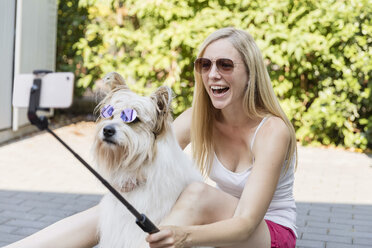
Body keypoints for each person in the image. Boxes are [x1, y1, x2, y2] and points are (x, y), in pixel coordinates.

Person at [5, 27, 297, 248]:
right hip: (216, 220)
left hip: (266, 233)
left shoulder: (272, 131)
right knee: (112, 206)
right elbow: (159, 152)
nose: (213, 75)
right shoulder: (202, 116)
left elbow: (246, 223)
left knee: (196, 193)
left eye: (225, 65)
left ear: (250, 71)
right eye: (205, 65)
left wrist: (184, 235)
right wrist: (131, 180)